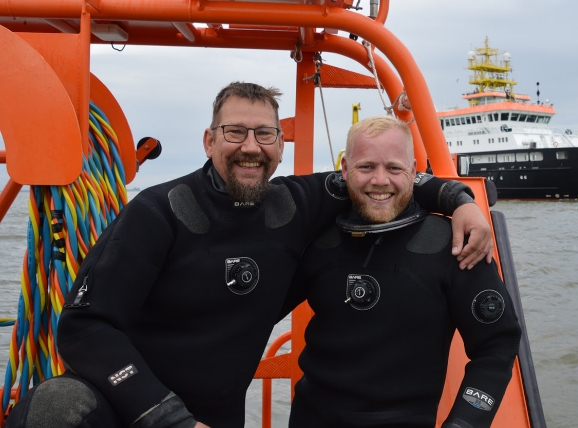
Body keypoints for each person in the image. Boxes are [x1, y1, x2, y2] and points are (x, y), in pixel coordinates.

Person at [5, 82, 494, 428]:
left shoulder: (296, 203)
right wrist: (163, 416)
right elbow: (83, 327)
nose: (250, 147)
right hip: (133, 405)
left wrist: (460, 202)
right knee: (55, 406)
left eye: (264, 134)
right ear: (209, 140)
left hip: (214, 417)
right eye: (235, 132)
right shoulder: (158, 212)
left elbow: (383, 179)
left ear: (281, 146)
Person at [282, 116, 522, 428]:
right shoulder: (319, 240)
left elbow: (498, 344)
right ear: (344, 169)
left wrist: (465, 423)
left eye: (394, 168)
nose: (380, 180)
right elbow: (253, 313)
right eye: (366, 167)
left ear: (412, 171)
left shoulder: (453, 244)